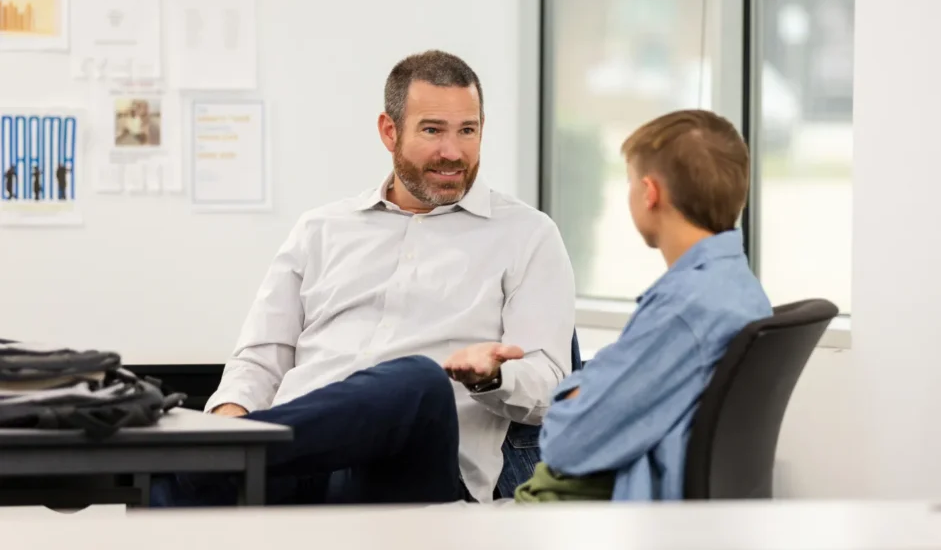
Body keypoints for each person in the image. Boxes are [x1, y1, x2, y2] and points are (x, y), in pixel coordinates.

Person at [151, 50, 575, 507]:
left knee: (417, 381)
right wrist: (228, 423)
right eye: (432, 130)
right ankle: (220, 459)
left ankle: (207, 461)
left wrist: (492, 377)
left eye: (467, 131)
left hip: (409, 471)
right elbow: (259, 360)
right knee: (171, 481)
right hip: (292, 469)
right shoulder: (321, 229)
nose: (453, 152)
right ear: (389, 132)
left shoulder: (528, 235)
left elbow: (552, 385)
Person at [515, 109, 772, 502]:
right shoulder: (736, 286)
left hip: (634, 516)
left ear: (650, 192)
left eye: (630, 182)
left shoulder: (686, 308)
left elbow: (567, 443)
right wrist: (589, 390)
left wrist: (574, 395)